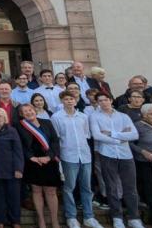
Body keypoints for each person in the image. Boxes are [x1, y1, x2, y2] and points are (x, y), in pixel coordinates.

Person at [88, 92, 143, 228]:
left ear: (111, 100)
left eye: (106, 100)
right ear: (97, 103)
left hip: (126, 155)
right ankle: (117, 217)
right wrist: (122, 137)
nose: (103, 102)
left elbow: (134, 134)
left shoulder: (123, 116)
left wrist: (112, 134)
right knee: (111, 187)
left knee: (130, 187)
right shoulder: (94, 116)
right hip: (107, 154)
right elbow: (97, 135)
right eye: (100, 101)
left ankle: (134, 217)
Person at [50, 91, 103, 228]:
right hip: (68, 155)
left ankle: (89, 216)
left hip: (84, 155)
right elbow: (56, 137)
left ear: (75, 100)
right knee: (69, 188)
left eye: (71, 99)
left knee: (86, 187)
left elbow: (86, 134)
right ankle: (71, 216)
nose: (69, 101)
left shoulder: (83, 117)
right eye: (66, 99)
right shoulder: (56, 117)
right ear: (62, 101)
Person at [17, 104, 61, 228]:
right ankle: (41, 220)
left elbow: (55, 141)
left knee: (51, 191)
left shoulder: (47, 122)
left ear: (34, 110)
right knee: (36, 190)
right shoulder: (20, 126)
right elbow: (21, 145)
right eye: (25, 111)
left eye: (30, 109)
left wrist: (49, 156)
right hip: (32, 162)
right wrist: (32, 158)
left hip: (49, 161)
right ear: (21, 114)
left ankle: (54, 221)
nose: (28, 112)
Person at [0, 108, 23, 228]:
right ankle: (0, 221)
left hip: (11, 169)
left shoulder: (11, 131)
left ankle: (15, 221)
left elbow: (18, 151)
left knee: (14, 197)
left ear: (5, 118)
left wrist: (19, 169)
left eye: (0, 116)